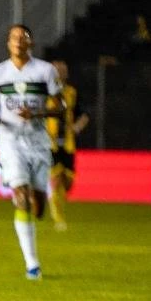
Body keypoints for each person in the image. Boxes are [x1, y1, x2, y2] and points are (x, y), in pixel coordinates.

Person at [0, 24, 64, 279]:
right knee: (21, 197)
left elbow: (60, 106)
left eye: (23, 37)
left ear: (31, 42)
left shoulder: (45, 70)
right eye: (14, 37)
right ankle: (32, 265)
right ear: (8, 43)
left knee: (37, 207)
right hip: (9, 140)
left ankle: (34, 201)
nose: (18, 41)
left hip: (38, 141)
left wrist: (37, 113)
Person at [45, 59, 89, 232]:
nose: (60, 73)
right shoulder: (44, 93)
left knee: (68, 182)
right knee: (55, 180)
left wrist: (77, 127)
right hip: (50, 144)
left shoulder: (71, 92)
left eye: (63, 70)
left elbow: (83, 114)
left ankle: (56, 203)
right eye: (56, 70)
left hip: (68, 144)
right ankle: (58, 218)